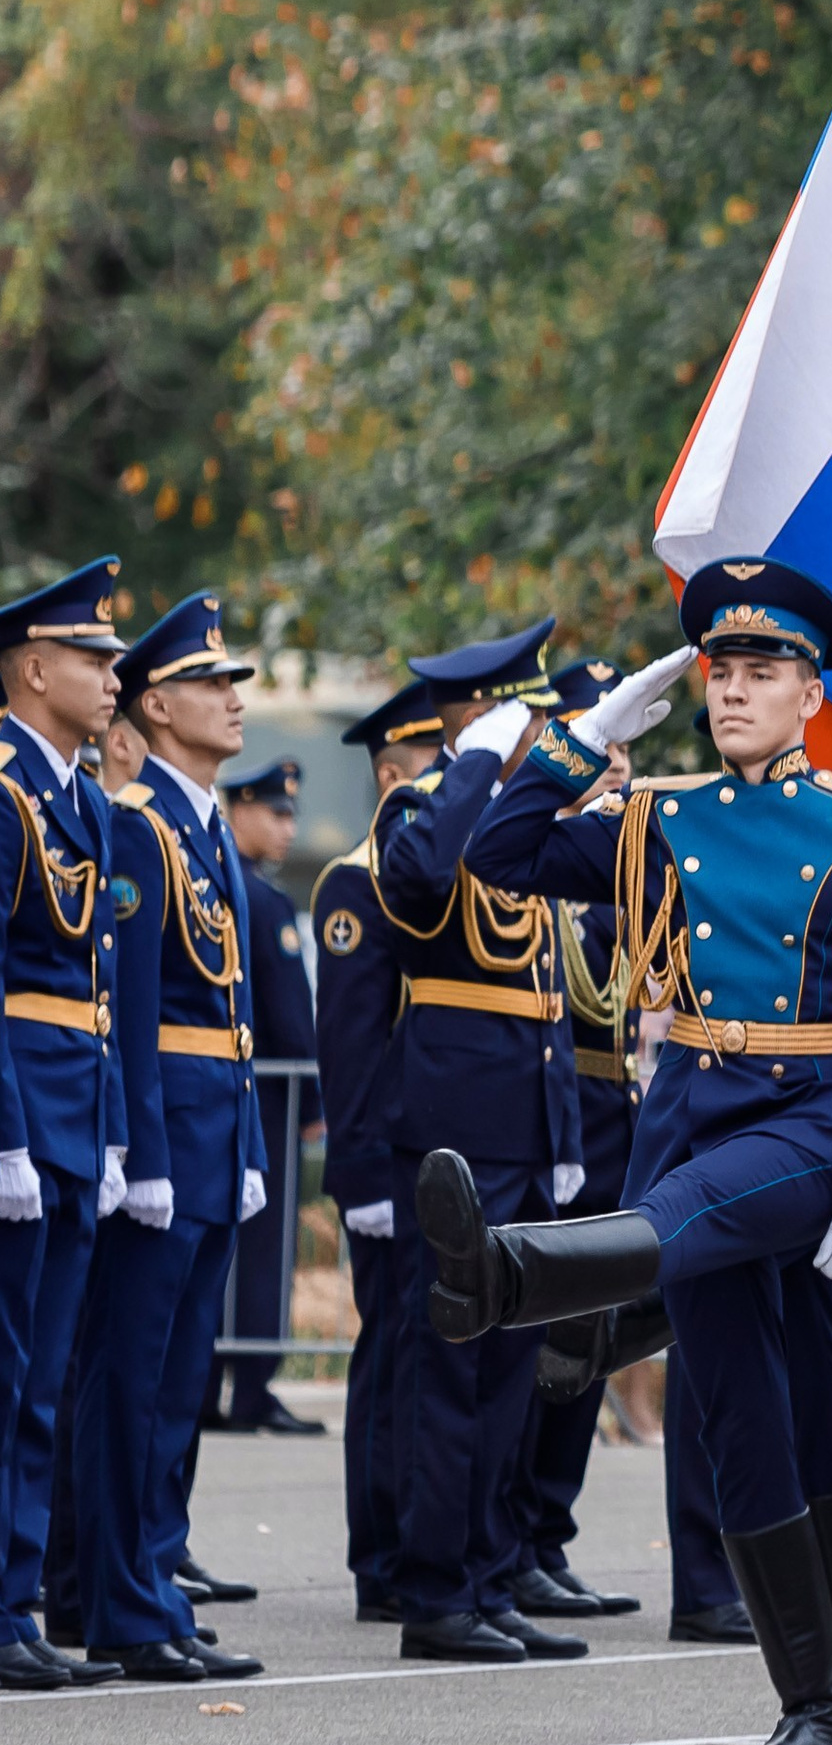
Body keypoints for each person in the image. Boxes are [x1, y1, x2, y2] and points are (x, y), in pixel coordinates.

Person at [448, 565, 832, 1745]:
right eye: (720, 671)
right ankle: (830, 1689)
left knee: (700, 1243)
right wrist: (587, 736)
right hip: (696, 1108)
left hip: (814, 1119)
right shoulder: (658, 814)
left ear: (810, 693)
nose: (731, 691)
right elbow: (492, 852)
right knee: (759, 1417)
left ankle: (516, 1274)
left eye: (761, 672)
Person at [363, 618, 589, 1666]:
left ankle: (490, 1577)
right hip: (455, 1136)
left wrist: (568, 1135)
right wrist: (474, 761)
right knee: (449, 1371)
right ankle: (436, 1593)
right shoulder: (424, 809)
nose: (540, 732)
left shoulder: (519, 830)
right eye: (525, 716)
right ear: (482, 718)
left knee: (507, 1373)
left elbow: (549, 997)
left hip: (525, 1133)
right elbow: (422, 875)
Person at [68, 596, 267, 1684]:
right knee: (132, 1378)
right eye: (214, 681)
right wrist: (141, 1156)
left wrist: (244, 1147)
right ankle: (120, 1602)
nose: (235, 698)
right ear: (156, 702)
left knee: (177, 1380)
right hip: (164, 1145)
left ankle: (149, 1581)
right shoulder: (141, 822)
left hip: (210, 1132)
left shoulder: (198, 822)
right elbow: (132, 1009)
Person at [0, 560, 131, 1692]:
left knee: (41, 1379)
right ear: (34, 668)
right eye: (93, 656)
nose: (112, 674)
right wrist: (3, 1135)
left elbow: (100, 983)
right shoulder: (1, 789)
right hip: (19, 1118)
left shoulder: (81, 797)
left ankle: (18, 1600)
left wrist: (118, 1132)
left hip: (76, 1113)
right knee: (4, 1374)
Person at [500, 662, 646, 1627]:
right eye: (599, 752)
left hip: (616, 1124)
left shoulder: (625, 873)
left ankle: (547, 1534)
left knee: (586, 1346)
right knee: (536, 1343)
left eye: (624, 753)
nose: (616, 770)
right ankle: (511, 1538)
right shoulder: (545, 879)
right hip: (561, 1122)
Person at [311, 675, 441, 1622]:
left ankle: (421, 1543)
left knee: (427, 1353)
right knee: (392, 1354)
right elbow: (353, 1043)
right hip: (388, 1159)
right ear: (394, 771)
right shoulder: (359, 879)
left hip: (430, 1154)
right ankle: (381, 1554)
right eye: (440, 757)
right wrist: (359, 1174)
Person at [214, 756, 326, 1438]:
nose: (289, 828)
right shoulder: (259, 898)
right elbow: (291, 1013)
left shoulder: (237, 884)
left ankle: (212, 1386)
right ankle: (252, 1387)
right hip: (270, 1101)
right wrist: (314, 1102)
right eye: (276, 814)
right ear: (240, 811)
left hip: (237, 1094)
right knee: (262, 1245)